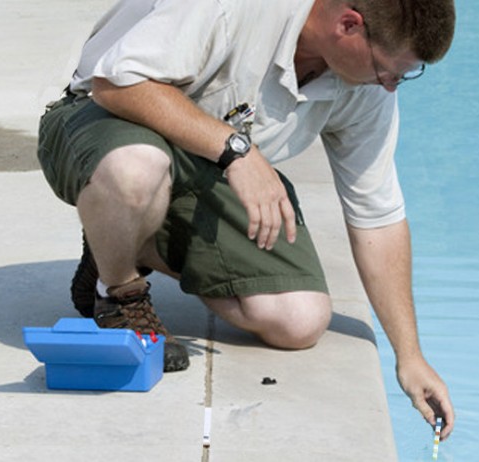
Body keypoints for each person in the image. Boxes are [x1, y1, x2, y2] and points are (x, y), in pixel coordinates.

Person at [38, 0, 456, 440]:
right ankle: (118, 292)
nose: (390, 86)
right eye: (389, 70)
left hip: (206, 162)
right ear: (348, 25)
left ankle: (124, 238)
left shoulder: (365, 88)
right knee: (136, 169)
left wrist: (409, 356)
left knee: (300, 320)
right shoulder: (231, 7)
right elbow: (114, 84)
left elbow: (377, 217)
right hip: (101, 117)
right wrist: (237, 149)